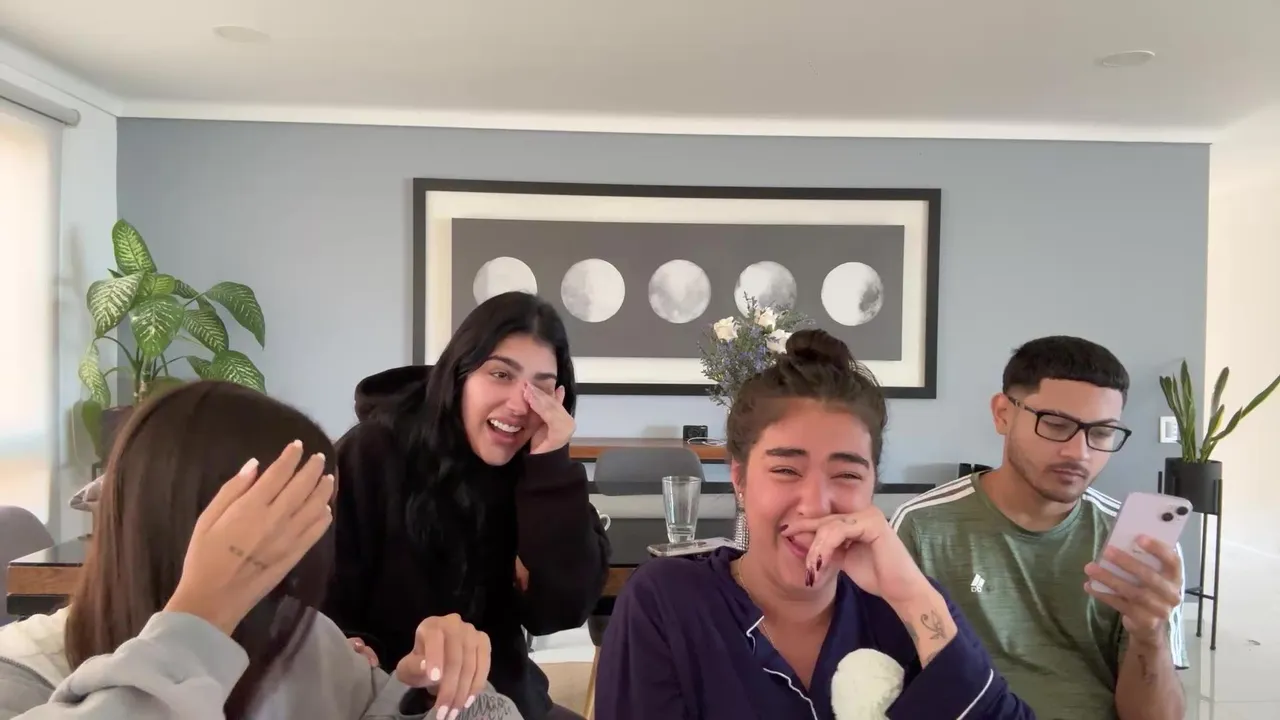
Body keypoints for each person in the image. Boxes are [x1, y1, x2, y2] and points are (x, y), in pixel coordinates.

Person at [0, 380, 520, 720]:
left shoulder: (301, 638)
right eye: (280, 525)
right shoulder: (22, 675)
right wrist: (199, 617)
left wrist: (430, 695)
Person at [594, 330, 1034, 720]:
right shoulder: (668, 602)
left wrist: (912, 595)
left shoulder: (905, 607)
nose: (815, 506)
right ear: (740, 479)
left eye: (847, 475)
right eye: (786, 470)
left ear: (873, 486)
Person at [326, 291, 609, 720]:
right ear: (459, 374)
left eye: (540, 387)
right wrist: (363, 654)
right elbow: (323, 609)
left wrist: (551, 468)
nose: (520, 404)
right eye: (500, 374)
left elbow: (560, 612)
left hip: (506, 701)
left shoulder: (537, 468)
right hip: (385, 698)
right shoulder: (373, 452)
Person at [891, 335, 1188, 719]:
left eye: (1101, 433)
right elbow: (888, 678)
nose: (1079, 452)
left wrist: (1149, 637)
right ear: (1003, 414)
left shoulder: (1139, 548)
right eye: (1056, 424)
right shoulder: (922, 526)